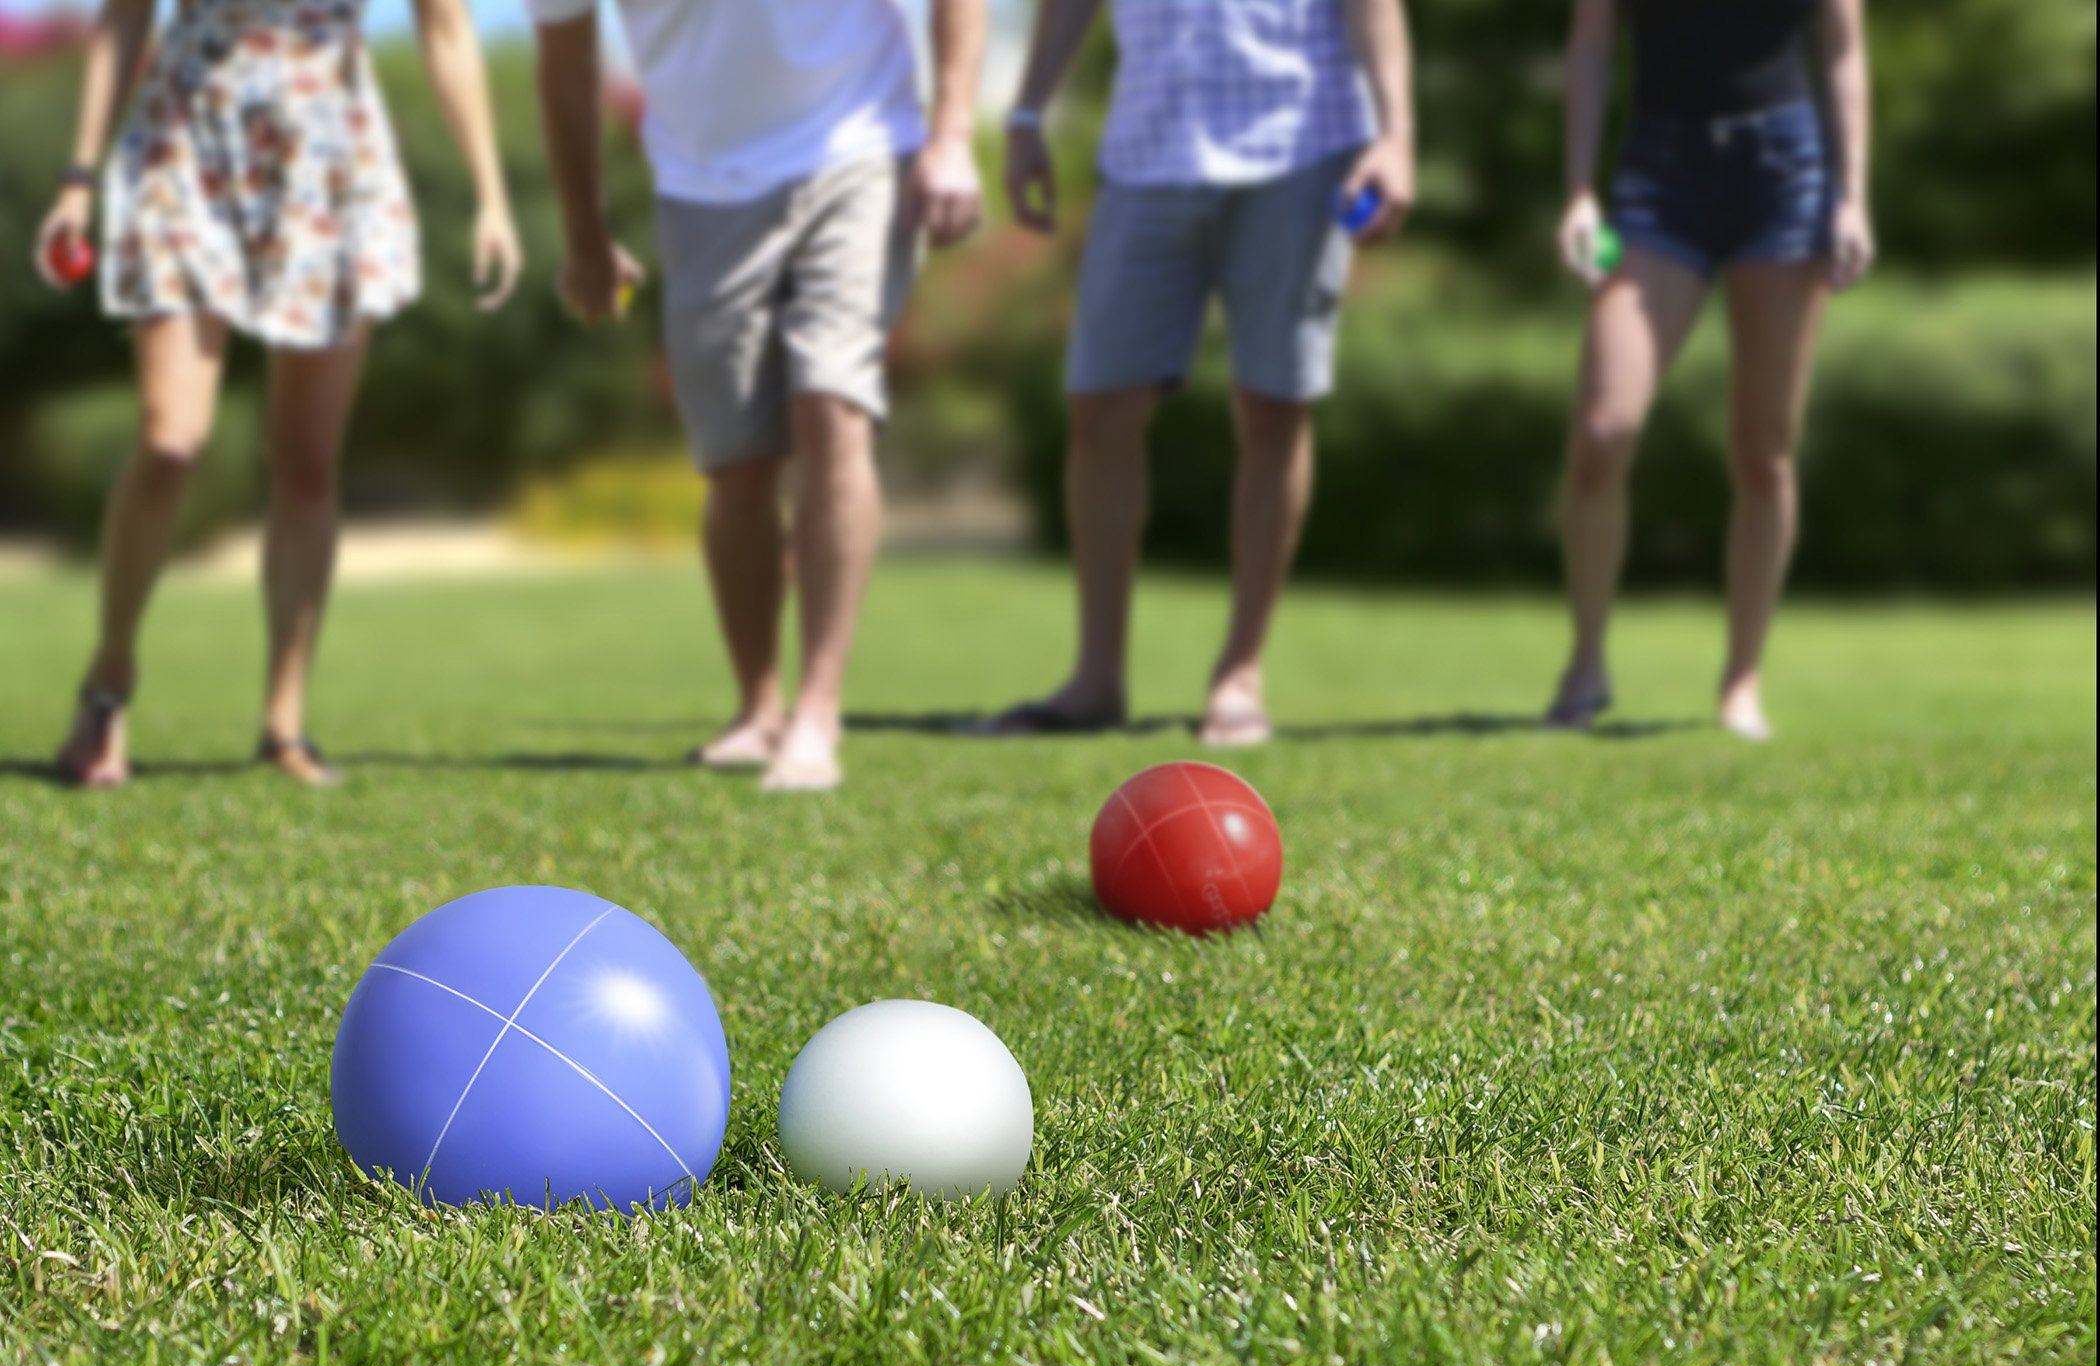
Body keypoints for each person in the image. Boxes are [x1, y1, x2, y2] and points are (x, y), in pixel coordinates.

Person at [38, 0, 522, 789]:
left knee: (305, 463)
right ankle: (108, 679)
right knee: (171, 440)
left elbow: (446, 27)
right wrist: (78, 176)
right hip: (184, 144)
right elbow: (124, 18)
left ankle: (284, 723)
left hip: (329, 156)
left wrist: (492, 196)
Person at [529, 0, 987, 794]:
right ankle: (757, 707)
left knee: (831, 410)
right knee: (737, 463)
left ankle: (819, 709)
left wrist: (951, 137)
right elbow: (566, 65)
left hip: (860, 142)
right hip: (703, 182)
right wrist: (585, 236)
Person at [985, 0, 1415, 747]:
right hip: (1148, 147)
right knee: (1098, 407)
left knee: (1274, 406)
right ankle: (1095, 680)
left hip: (1302, 142)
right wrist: (1025, 117)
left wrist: (1398, 136)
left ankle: (1240, 676)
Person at [1549, 0, 1876, 740]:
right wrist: (1577, 190)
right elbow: (1591, 44)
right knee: (1603, 430)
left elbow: (1844, 47)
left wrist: (1854, 195)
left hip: (1786, 173)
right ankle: (1586, 662)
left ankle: (1741, 683)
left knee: (1764, 454)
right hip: (1655, 178)